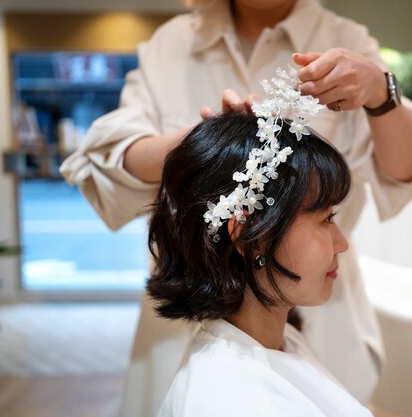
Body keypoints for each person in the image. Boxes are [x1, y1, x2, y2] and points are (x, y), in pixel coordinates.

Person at [60, 0, 412, 415]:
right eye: (325, 217)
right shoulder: (172, 45)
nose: (338, 239)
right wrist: (207, 144)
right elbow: (109, 159)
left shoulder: (347, 40)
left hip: (313, 309)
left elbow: (408, 170)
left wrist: (380, 92)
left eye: (329, 214)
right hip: (199, 312)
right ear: (242, 229)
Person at [148, 104, 371, 416]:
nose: (342, 243)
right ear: (248, 235)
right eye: (325, 219)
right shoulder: (229, 398)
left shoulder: (279, 339)